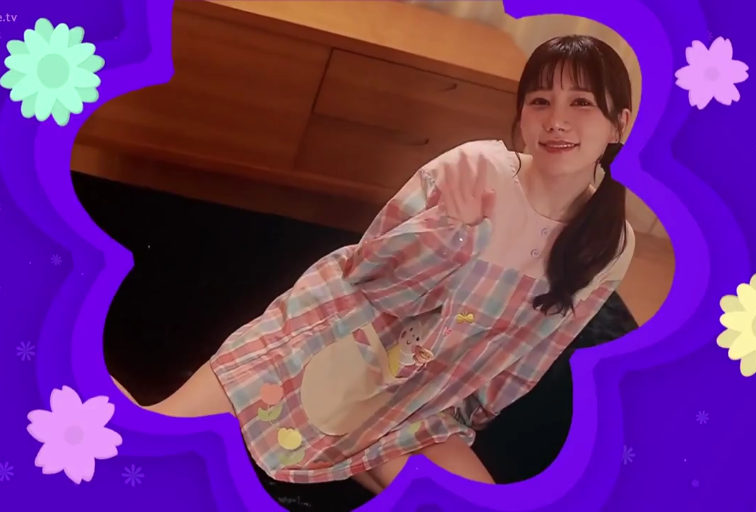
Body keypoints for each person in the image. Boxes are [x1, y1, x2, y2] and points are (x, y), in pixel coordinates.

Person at [113, 34, 636, 494]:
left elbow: (536, 348)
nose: (557, 120)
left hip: (428, 395)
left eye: (582, 102)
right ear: (521, 117)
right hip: (343, 336)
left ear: (619, 124)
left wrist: (469, 413)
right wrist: (454, 233)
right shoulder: (475, 167)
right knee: (144, 437)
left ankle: (358, 451)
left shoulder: (612, 243)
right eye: (540, 101)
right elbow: (373, 278)